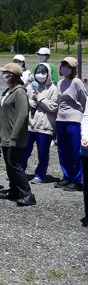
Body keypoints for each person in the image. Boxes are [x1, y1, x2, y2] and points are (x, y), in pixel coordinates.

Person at [0, 64, 35, 206]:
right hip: (5, 135)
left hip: (15, 136)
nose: (3, 75)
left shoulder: (19, 92)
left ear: (12, 74)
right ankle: (14, 189)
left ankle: (27, 193)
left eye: (6, 73)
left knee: (15, 164)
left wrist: (14, 135)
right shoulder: (9, 90)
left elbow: (22, 115)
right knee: (9, 164)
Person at [56, 57, 86, 193]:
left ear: (73, 69)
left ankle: (78, 180)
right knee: (63, 150)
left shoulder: (77, 82)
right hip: (60, 118)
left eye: (68, 66)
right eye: (63, 66)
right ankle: (67, 176)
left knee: (76, 151)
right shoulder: (60, 83)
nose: (64, 68)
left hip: (74, 118)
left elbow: (84, 100)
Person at [28, 63, 59, 185]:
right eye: (37, 72)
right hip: (30, 125)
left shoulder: (54, 88)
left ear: (48, 74)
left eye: (43, 72)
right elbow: (25, 98)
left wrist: (40, 98)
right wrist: (30, 102)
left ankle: (40, 175)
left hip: (45, 127)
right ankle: (20, 171)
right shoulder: (31, 86)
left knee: (43, 153)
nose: (40, 75)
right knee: (24, 151)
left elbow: (53, 106)